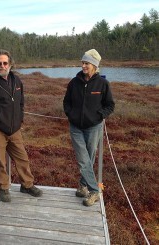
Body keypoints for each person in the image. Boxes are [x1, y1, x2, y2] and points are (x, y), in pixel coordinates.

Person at [0, 49, 43, 202]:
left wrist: (20, 120)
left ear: (10, 64)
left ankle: (27, 185)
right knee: (0, 162)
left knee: (22, 158)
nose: (2, 66)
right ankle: (4, 188)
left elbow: (21, 102)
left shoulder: (17, 81)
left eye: (5, 63)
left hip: (15, 130)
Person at [63, 49, 115, 206]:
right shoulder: (74, 82)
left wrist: (99, 116)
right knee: (82, 159)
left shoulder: (103, 84)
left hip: (94, 127)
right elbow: (66, 102)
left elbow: (110, 105)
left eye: (87, 63)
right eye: (83, 63)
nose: (83, 66)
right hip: (76, 127)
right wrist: (71, 115)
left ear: (94, 65)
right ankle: (94, 191)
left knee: (89, 158)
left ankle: (83, 186)